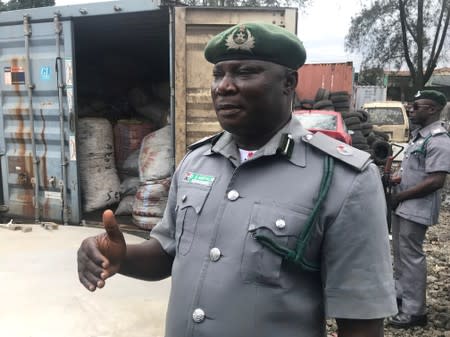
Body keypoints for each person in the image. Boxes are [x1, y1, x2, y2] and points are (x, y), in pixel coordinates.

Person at [77, 22, 397, 337]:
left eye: (245, 72)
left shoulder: (343, 179)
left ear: (288, 82)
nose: (224, 86)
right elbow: (167, 252)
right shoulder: (196, 161)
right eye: (219, 74)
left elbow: (361, 321)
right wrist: (120, 255)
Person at [388, 90, 450, 329]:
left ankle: (415, 311)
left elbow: (436, 181)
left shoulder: (438, 139)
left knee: (412, 256)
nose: (411, 110)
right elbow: (414, 171)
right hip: (403, 204)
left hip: (416, 206)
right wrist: (396, 178)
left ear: (432, 109)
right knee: (400, 254)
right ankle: (401, 297)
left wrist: (401, 195)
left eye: (416, 106)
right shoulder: (419, 138)